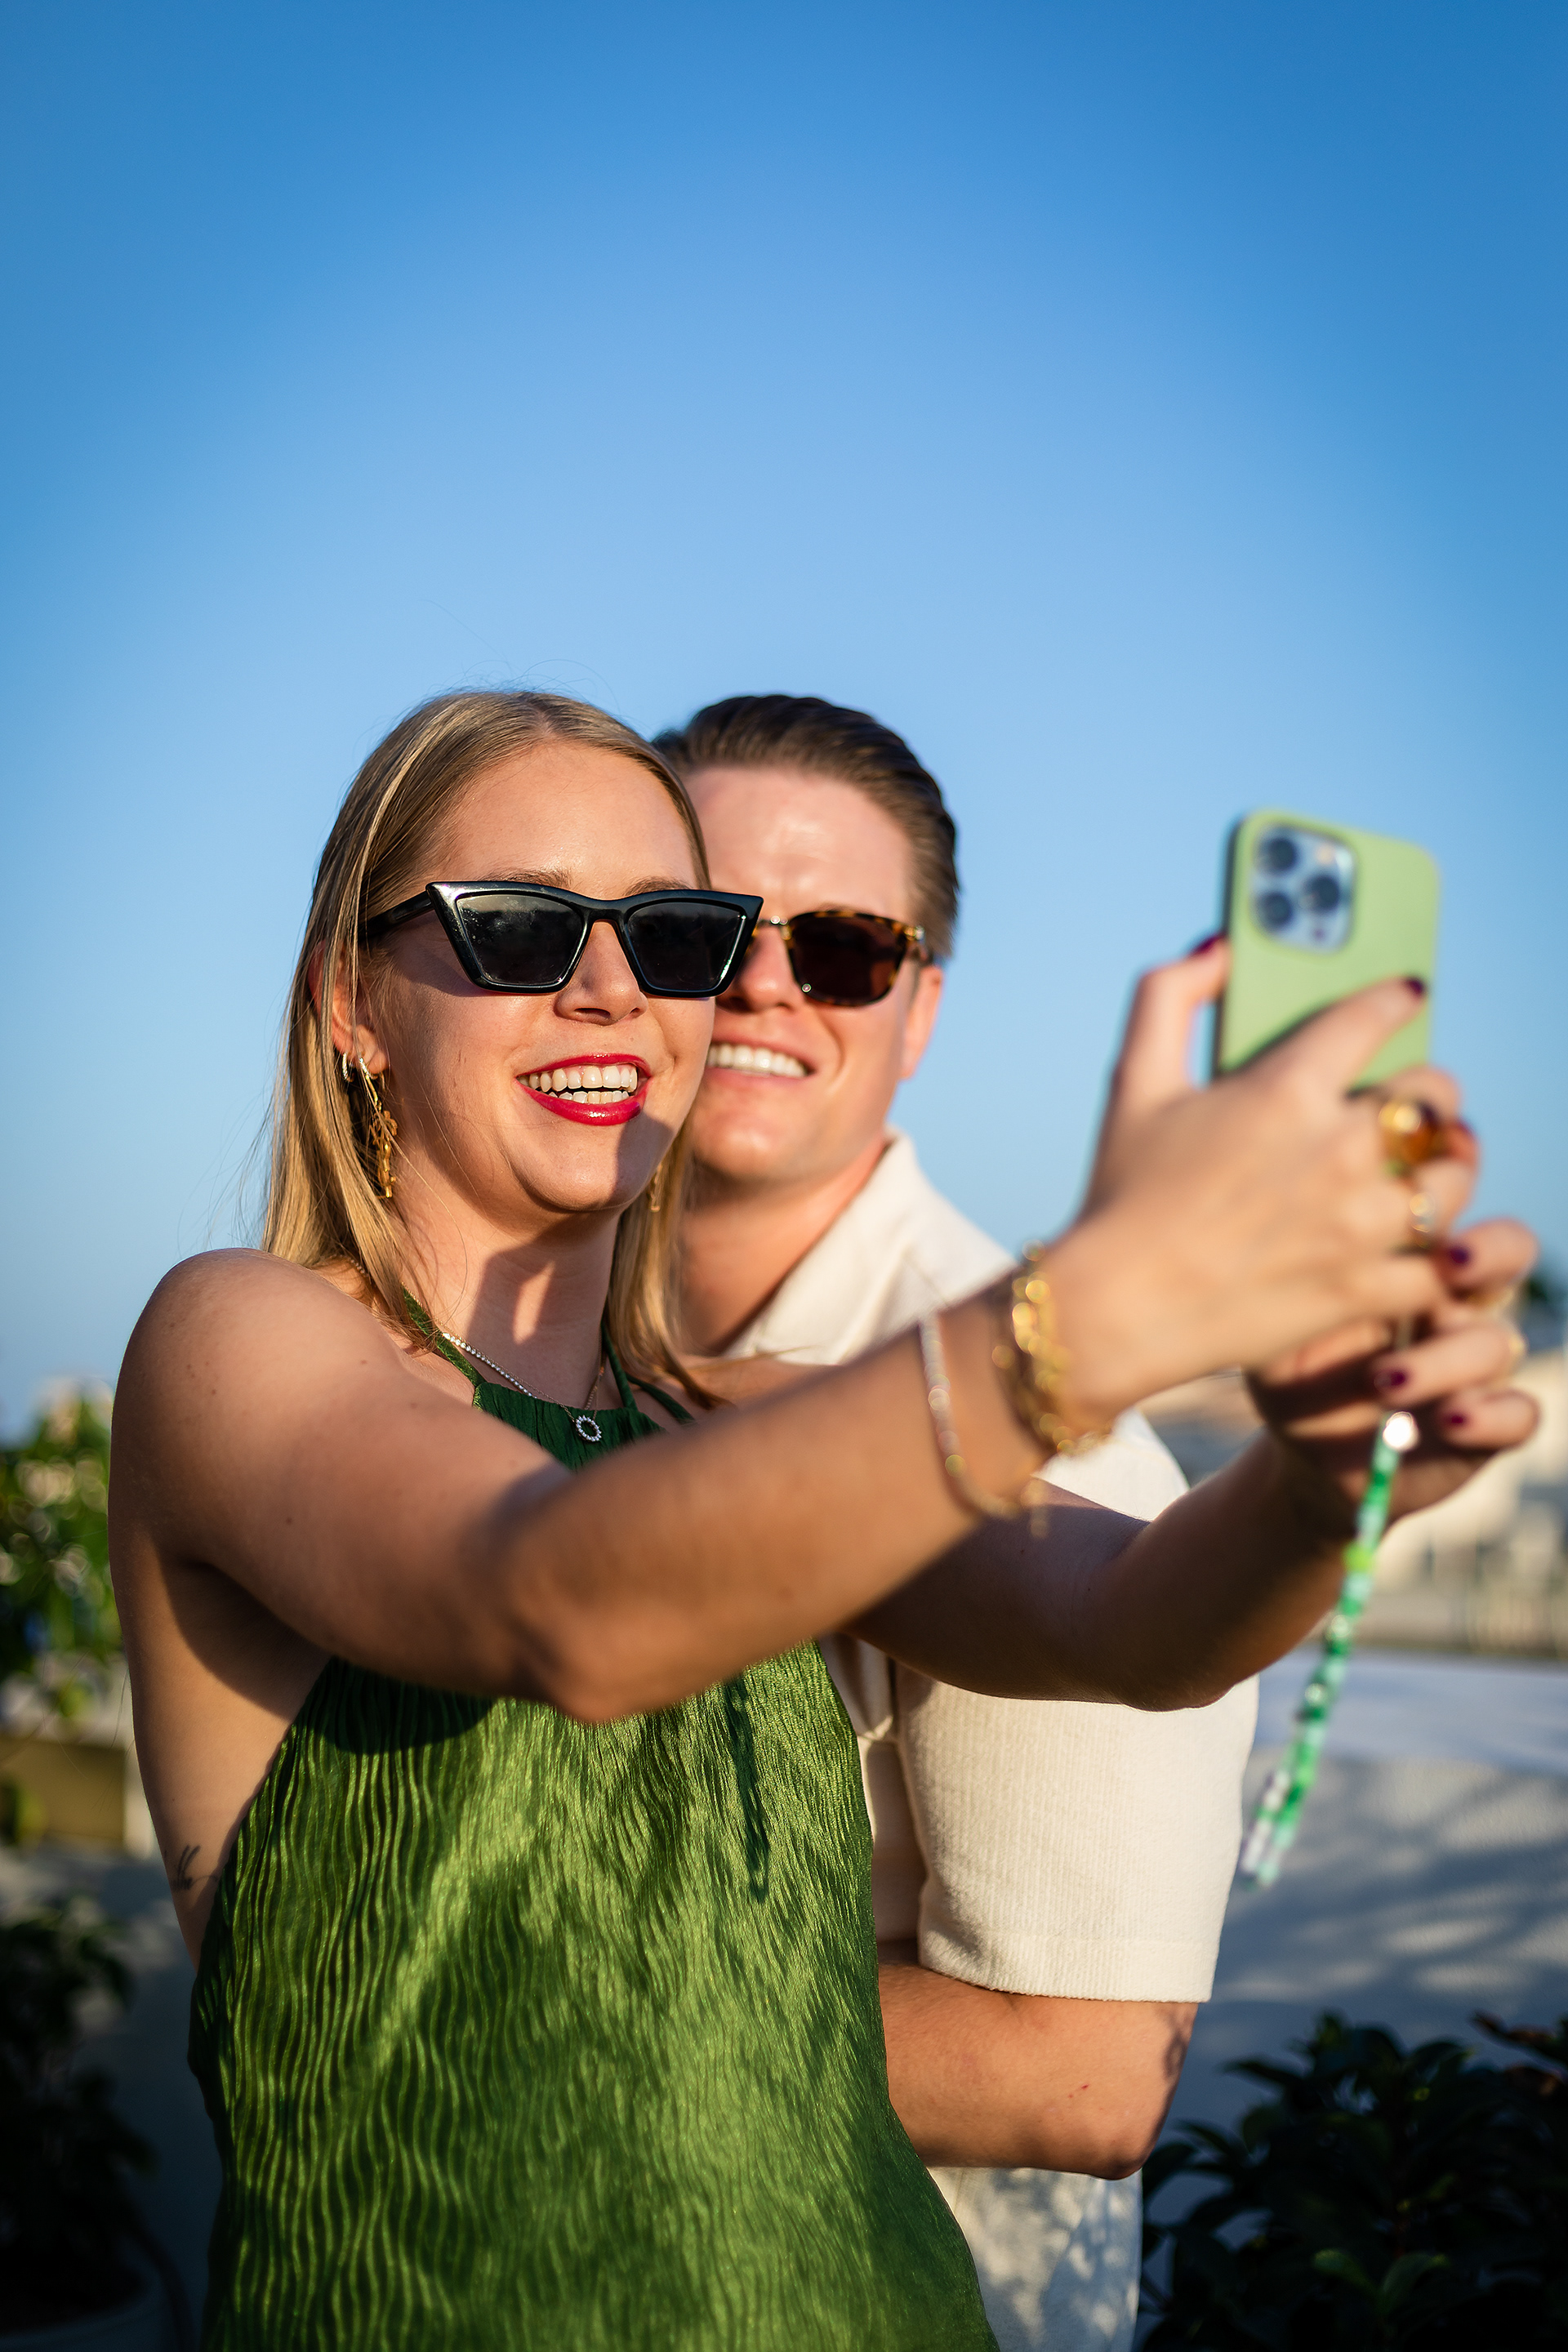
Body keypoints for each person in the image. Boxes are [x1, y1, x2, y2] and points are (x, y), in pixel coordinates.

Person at [108, 688, 1533, 2352]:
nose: (612, 987)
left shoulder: (752, 1414)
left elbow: (1133, 1624)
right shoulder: (233, 1343)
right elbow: (554, 1598)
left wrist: (1316, 1482)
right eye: (518, 928)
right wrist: (1093, 1310)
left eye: (675, 937)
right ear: (350, 999)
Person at [653, 693, 1241, 2349]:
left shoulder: (1071, 1442)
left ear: (917, 1012)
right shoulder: (548, 1363)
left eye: (844, 949)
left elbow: (1087, 2074)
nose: (764, 984)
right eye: (704, 929)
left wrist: (530, 1989)